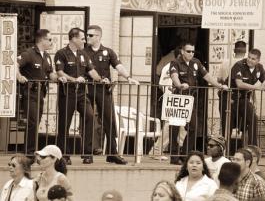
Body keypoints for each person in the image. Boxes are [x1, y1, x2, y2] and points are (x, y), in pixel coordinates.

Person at [85, 25, 138, 164]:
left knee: (109, 120)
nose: (87, 37)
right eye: (87, 35)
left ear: (98, 37)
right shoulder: (83, 52)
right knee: (88, 119)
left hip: (104, 90)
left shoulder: (108, 52)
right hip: (88, 89)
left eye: (91, 35)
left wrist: (128, 77)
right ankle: (87, 153)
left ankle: (112, 153)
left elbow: (118, 65)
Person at [169, 42, 228, 165]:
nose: (191, 54)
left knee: (193, 128)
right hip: (179, 98)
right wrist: (179, 85)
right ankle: (174, 157)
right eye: (188, 51)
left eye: (192, 51)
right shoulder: (175, 62)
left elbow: (207, 76)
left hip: (191, 98)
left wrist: (220, 86)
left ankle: (184, 154)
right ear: (182, 51)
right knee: (175, 128)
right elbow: (174, 76)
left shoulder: (196, 62)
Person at [54, 27, 102, 165]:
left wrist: (101, 79)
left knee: (90, 116)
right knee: (65, 124)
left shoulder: (83, 54)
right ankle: (64, 155)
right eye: (82, 38)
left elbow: (92, 71)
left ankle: (87, 153)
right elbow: (60, 72)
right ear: (74, 38)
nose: (84, 41)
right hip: (67, 93)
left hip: (81, 94)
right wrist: (74, 80)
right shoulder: (61, 53)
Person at [16, 29, 61, 159]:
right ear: (42, 40)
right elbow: (15, 65)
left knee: (36, 121)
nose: (52, 42)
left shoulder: (46, 56)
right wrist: (19, 76)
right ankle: (29, 153)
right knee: (33, 121)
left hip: (41, 93)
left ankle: (31, 150)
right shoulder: (29, 53)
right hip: (30, 92)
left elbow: (50, 73)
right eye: (50, 39)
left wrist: (58, 78)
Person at [149, 47, 186, 161]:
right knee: (170, 126)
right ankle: (156, 150)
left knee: (181, 126)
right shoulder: (177, 66)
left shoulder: (166, 66)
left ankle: (181, 149)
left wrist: (167, 92)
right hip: (175, 99)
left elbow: (161, 84)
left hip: (169, 98)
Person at [228, 48, 265, 146]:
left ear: (258, 60)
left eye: (253, 59)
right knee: (230, 125)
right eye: (249, 57)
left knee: (253, 118)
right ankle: (227, 150)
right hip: (230, 97)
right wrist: (257, 87)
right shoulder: (239, 65)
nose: (250, 60)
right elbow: (239, 84)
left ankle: (252, 147)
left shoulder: (260, 67)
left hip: (244, 98)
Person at [217, 40, 247, 138]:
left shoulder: (225, 62)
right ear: (245, 51)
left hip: (226, 95)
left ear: (234, 50)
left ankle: (226, 147)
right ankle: (239, 148)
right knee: (241, 125)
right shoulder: (246, 64)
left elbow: (219, 79)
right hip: (242, 97)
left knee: (226, 124)